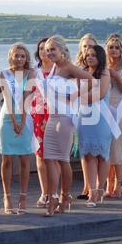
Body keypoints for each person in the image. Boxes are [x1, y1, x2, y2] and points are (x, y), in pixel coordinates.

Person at [43, 35, 94, 216]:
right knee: (49, 159)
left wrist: (76, 95)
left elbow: (90, 79)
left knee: (63, 160)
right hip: (52, 117)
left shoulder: (68, 67)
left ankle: (64, 197)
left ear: (62, 50)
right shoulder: (55, 67)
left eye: (52, 49)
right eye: (47, 50)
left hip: (65, 118)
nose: (49, 53)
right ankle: (53, 197)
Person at [0, 43, 36, 214]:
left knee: (24, 159)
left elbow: (28, 98)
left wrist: (22, 122)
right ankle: (6, 197)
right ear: (11, 57)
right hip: (7, 118)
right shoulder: (4, 74)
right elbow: (7, 98)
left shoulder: (30, 74)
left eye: (22, 56)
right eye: (16, 55)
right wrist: (14, 121)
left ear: (26, 58)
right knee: (7, 159)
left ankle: (22, 196)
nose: (19, 59)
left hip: (26, 118)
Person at [77, 45, 115, 207]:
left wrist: (79, 97)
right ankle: (91, 192)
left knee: (102, 154)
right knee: (87, 154)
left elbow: (100, 94)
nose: (90, 57)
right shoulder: (82, 72)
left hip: (101, 117)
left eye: (93, 55)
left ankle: (100, 189)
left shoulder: (105, 72)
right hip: (84, 117)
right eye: (88, 55)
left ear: (100, 57)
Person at [104, 34, 122, 197]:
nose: (113, 50)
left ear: (121, 50)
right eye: (111, 47)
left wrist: (116, 77)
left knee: (117, 144)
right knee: (106, 146)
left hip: (118, 108)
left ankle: (119, 182)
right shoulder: (102, 67)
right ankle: (109, 182)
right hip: (104, 108)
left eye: (116, 47)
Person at [31, 37, 54, 208]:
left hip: (55, 116)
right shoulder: (33, 72)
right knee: (39, 155)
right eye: (40, 49)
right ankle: (44, 192)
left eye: (46, 49)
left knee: (53, 156)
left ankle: (54, 192)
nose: (43, 52)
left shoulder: (59, 70)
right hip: (37, 116)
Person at [75, 33, 98, 200]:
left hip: (97, 111)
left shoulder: (100, 69)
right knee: (84, 150)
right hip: (81, 111)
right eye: (84, 47)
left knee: (96, 151)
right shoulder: (77, 69)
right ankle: (86, 185)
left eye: (91, 46)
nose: (87, 50)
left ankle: (96, 187)